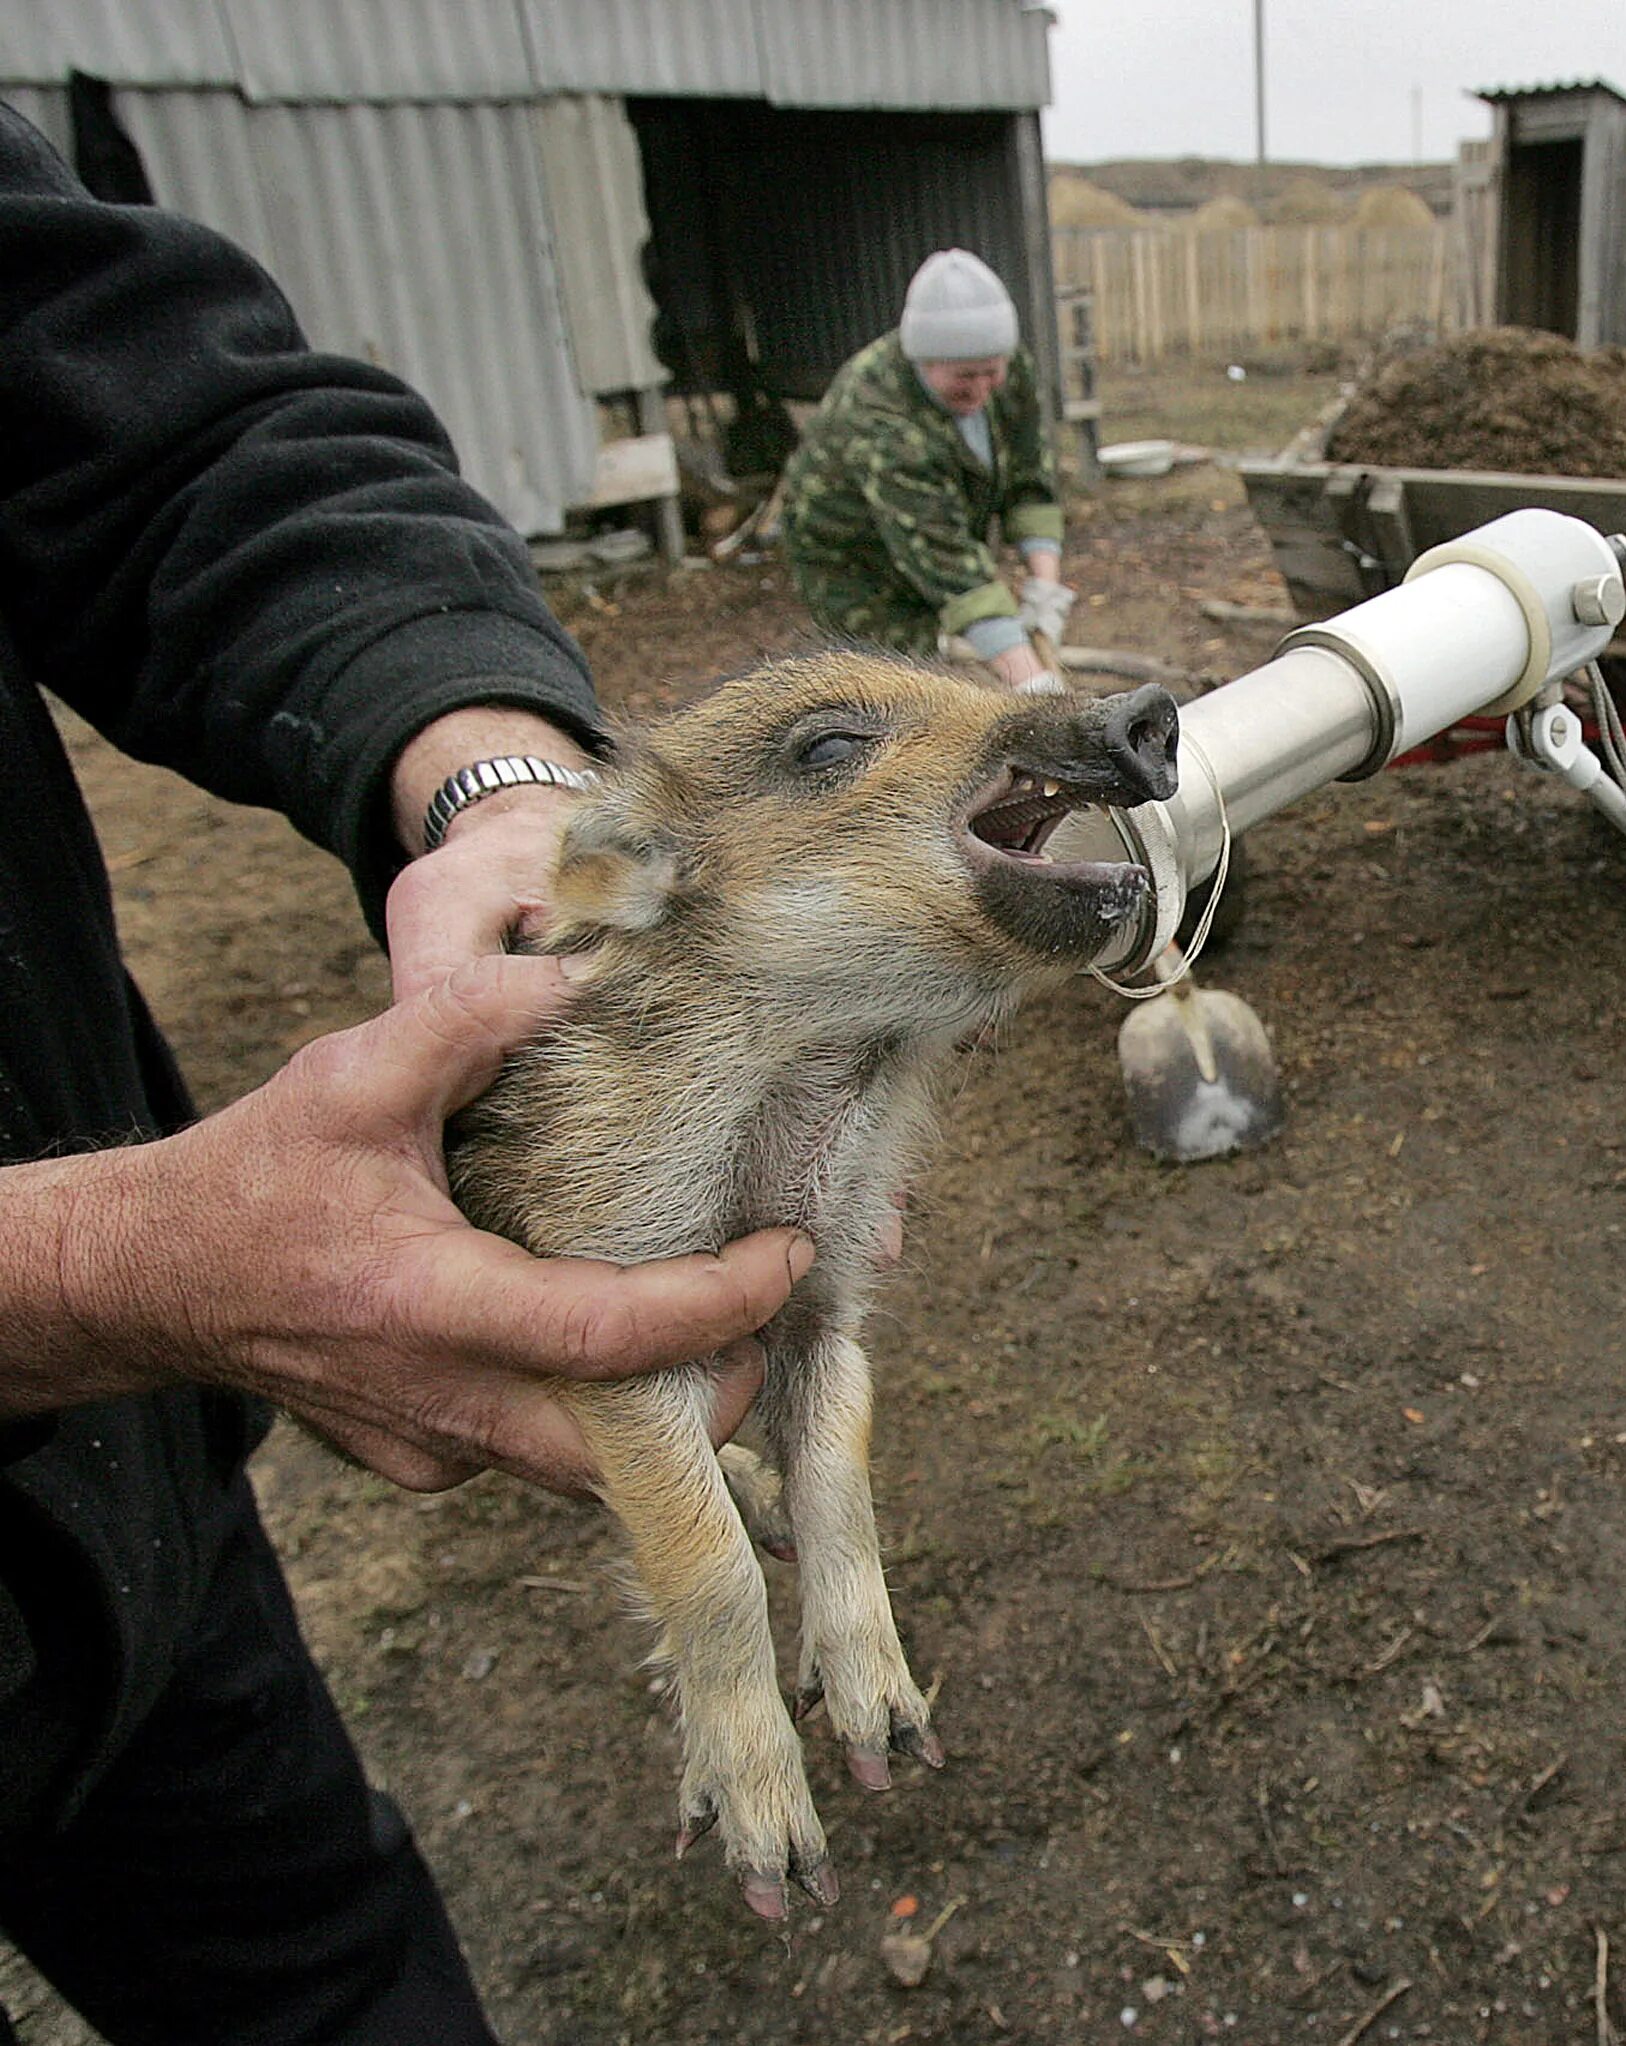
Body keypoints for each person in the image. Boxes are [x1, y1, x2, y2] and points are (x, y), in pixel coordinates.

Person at [0, 109, 810, 2043]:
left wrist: (501, 782)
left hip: (101, 1516)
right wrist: (113, 1272)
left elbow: (173, 432)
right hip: (90, 1358)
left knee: (333, 1973)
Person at [782, 248, 1071, 689]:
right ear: (923, 360)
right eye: (963, 377)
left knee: (982, 656)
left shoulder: (1007, 369)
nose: (980, 388)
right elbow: (949, 561)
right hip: (857, 566)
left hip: (939, 533)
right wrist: (1034, 686)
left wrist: (1045, 590)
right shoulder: (881, 421)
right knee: (904, 684)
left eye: (990, 372)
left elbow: (1029, 477)